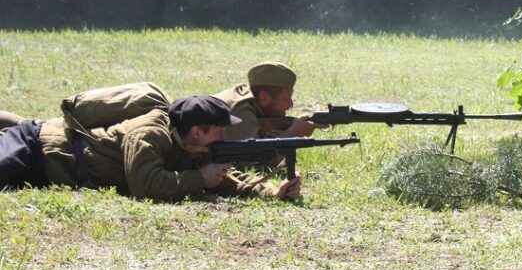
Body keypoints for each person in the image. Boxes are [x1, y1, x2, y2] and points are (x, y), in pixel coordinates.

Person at [0, 95, 301, 201]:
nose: (225, 138)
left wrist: (272, 191)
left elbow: (226, 176)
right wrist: (201, 179)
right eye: (220, 131)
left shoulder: (197, 146)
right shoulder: (148, 133)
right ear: (196, 132)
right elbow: (145, 184)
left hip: (48, 172)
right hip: (34, 147)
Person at [215, 62, 327, 140]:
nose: (291, 104)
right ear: (264, 97)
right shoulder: (239, 110)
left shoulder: (248, 99)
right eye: (286, 98)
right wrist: (291, 135)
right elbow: (251, 161)